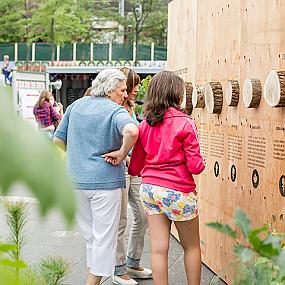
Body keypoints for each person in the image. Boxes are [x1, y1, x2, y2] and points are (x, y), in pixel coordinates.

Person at [104, 71, 206, 285]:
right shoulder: (186, 123)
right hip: (178, 191)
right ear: (175, 94)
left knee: (159, 250)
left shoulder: (144, 126)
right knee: (192, 247)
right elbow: (196, 167)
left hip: (150, 190)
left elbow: (136, 168)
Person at [53, 69, 139, 285]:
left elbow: (58, 140)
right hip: (105, 182)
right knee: (104, 237)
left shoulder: (77, 105)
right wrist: (121, 154)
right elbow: (133, 131)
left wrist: (77, 156)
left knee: (91, 236)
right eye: (122, 90)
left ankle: (93, 279)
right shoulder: (115, 111)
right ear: (109, 90)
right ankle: (92, 283)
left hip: (75, 180)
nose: (125, 94)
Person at [112, 67, 152, 285]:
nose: (136, 90)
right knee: (120, 221)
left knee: (143, 216)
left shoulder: (130, 108)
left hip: (135, 168)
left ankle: (133, 261)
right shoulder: (115, 108)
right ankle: (118, 269)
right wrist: (125, 156)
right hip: (121, 168)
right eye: (133, 85)